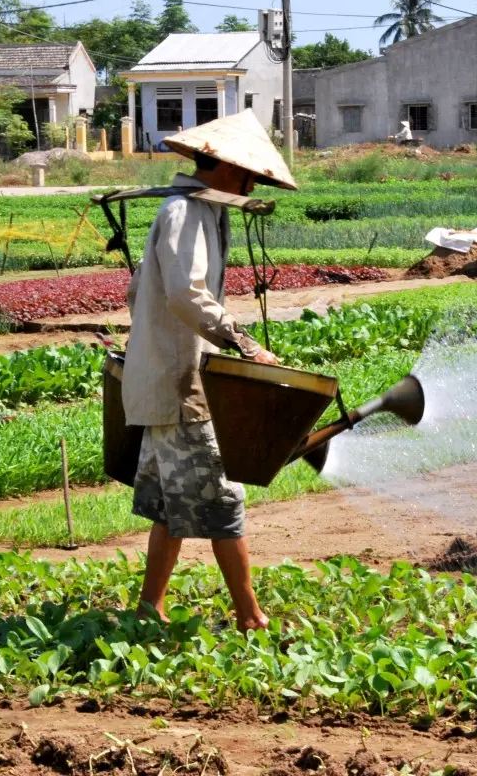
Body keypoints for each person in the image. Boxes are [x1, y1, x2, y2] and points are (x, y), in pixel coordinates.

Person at [122, 110, 297, 632]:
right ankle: (250, 617)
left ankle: (150, 608)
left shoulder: (199, 210)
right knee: (223, 497)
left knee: (169, 509)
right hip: (178, 384)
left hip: (170, 375)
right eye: (248, 175)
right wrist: (243, 343)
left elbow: (141, 294)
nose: (250, 186)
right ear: (222, 166)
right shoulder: (185, 214)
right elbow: (185, 294)